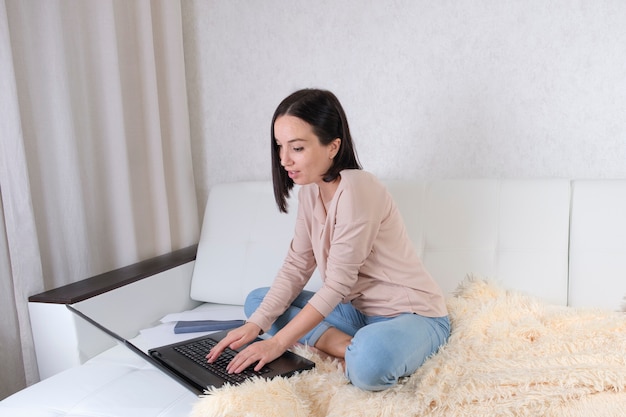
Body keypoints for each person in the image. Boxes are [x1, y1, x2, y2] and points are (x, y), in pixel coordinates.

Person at [207, 88, 450, 391]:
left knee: (369, 363)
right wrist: (254, 326)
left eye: (296, 148)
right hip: (358, 314)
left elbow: (337, 284)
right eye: (280, 146)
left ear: (333, 146)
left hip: (413, 315)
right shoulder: (310, 191)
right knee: (257, 302)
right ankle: (346, 346)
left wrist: (278, 343)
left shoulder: (359, 188)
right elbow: (297, 266)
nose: (284, 160)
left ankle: (354, 350)